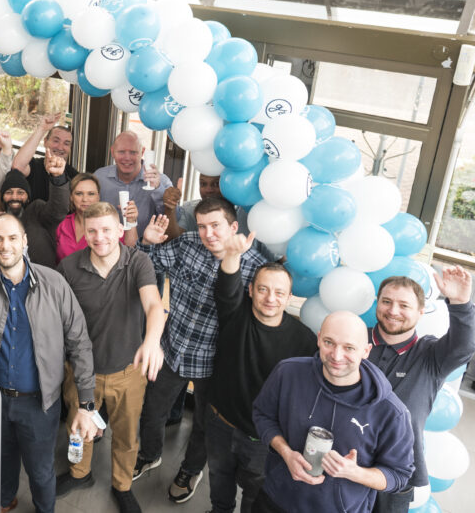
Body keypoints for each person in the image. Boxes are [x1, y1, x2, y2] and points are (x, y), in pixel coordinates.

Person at [0, 218, 98, 513]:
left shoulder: (54, 282)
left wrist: (86, 403)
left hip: (39, 402)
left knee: (40, 470)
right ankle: (6, 499)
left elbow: (80, 343)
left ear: (25, 241)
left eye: (13, 238)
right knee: (2, 458)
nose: (5, 245)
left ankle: (44, 509)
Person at [134, 198, 267, 504]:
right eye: (203, 225)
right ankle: (149, 454)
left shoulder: (254, 267)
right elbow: (148, 265)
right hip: (172, 349)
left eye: (216, 225)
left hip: (214, 363)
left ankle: (191, 470)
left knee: (205, 426)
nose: (208, 233)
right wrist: (146, 243)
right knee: (152, 411)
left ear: (233, 227)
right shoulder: (187, 244)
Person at [55, 202, 165, 513]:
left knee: (127, 435)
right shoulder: (70, 267)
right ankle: (80, 473)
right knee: (79, 428)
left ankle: (122, 485)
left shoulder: (138, 262)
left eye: (106, 230)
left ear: (120, 230)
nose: (99, 237)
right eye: (92, 231)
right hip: (81, 371)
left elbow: (154, 306)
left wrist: (152, 341)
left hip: (127, 372)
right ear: (84, 233)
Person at [252, 311, 416, 513]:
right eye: (329, 342)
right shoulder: (287, 373)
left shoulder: (391, 411)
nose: (337, 356)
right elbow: (262, 415)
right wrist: (285, 452)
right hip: (275, 499)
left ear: (366, 351)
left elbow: (399, 475)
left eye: (349, 347)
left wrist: (353, 472)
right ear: (319, 339)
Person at [205, 234, 317, 513]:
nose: (271, 298)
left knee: (256, 493)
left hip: (262, 439)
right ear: (251, 290)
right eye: (264, 289)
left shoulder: (304, 341)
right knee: (219, 478)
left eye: (279, 293)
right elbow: (227, 285)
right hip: (220, 422)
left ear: (289, 298)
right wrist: (232, 254)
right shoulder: (235, 314)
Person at [368, 268, 475, 513]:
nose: (393, 311)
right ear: (377, 303)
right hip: (342, 461)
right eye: (386, 302)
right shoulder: (354, 342)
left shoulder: (431, 355)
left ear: (420, 311)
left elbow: (464, 346)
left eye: (404, 305)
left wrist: (460, 303)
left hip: (396, 476)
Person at [94, 131, 171, 238]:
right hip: (104, 247)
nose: (127, 158)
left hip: (146, 250)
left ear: (142, 152)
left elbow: (174, 220)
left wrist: (157, 189)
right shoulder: (99, 177)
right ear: (112, 152)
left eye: (133, 152)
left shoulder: (162, 181)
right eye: (121, 152)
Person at [0, 155, 69, 267]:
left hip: (42, 279)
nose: (14, 197)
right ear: (2, 198)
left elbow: (58, 210)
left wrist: (58, 178)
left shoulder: (37, 211)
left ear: (28, 197)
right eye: (9, 192)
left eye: (20, 192)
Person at [56, 173, 137, 262]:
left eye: (91, 194)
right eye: (79, 194)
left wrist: (131, 221)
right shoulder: (62, 223)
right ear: (71, 197)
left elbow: (130, 250)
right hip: (62, 275)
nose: (85, 199)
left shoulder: (110, 224)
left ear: (98, 197)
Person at [12, 113, 79, 203]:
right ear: (45, 141)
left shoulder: (74, 176)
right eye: (56, 141)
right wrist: (42, 129)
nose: (60, 147)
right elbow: (17, 167)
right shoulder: (34, 166)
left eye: (66, 143)